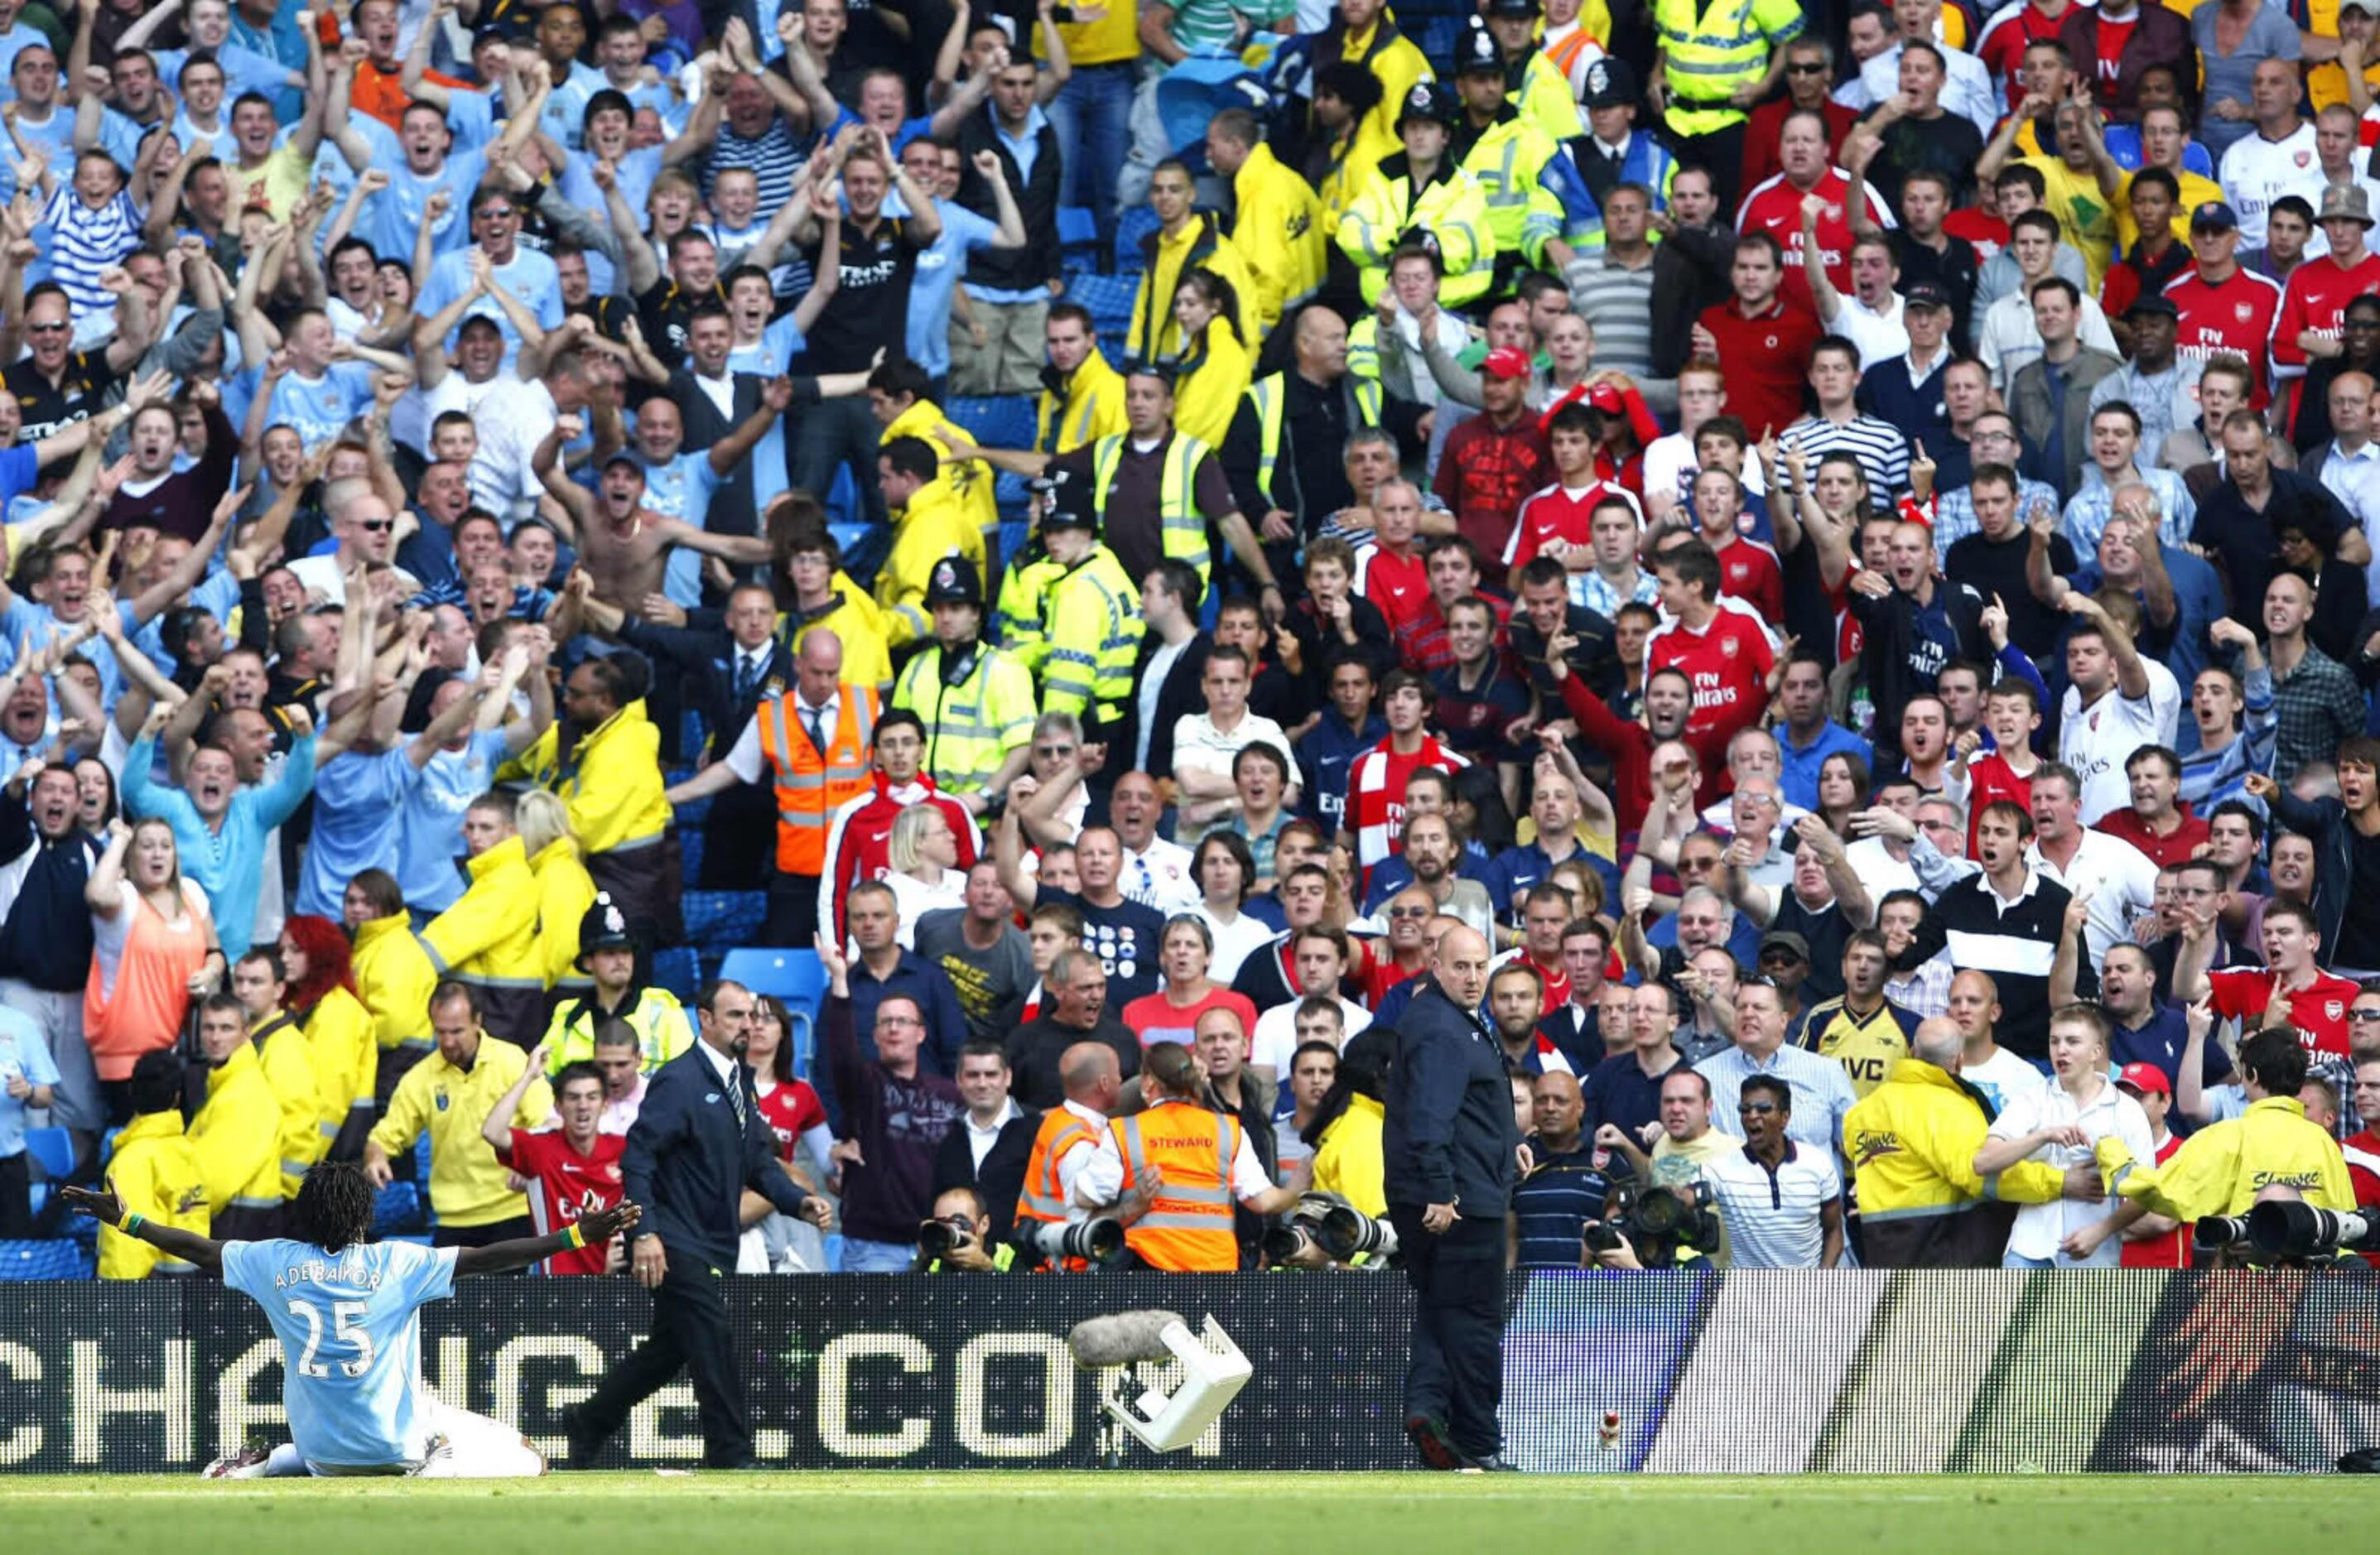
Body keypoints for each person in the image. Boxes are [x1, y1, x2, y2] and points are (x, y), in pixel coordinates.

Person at [67, 1161, 640, 1477]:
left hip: (321, 1456)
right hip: (398, 1452)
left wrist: (127, 1220)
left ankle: (264, 1462)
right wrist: (574, 1234)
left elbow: (198, 1248)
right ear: (365, 1214)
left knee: (422, 1410)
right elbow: (494, 1257)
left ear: (306, 1215)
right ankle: (427, 1460)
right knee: (533, 1460)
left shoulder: (272, 1261)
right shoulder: (399, 1263)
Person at [565, 980, 835, 1470]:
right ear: (704, 1019)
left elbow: (759, 1161)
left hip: (711, 1239)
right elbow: (638, 1160)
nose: (748, 1026)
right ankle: (730, 1452)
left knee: (670, 1349)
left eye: (752, 1017)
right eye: (736, 1016)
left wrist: (800, 1203)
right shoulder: (680, 1080)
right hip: (672, 1237)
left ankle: (590, 1419)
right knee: (712, 1333)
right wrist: (644, 1233)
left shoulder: (739, 1081)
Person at [1384, 925, 1519, 1471]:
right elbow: (1429, 1118)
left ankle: (1428, 1411)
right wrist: (1441, 1190)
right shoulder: (1443, 1028)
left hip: (1465, 1187)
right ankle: (1478, 1443)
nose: (1473, 977)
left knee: (1445, 1315)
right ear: (1435, 965)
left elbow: (1463, 1110)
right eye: (1461, 966)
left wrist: (1510, 1149)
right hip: (1460, 1203)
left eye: (1480, 966)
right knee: (1474, 1323)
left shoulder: (1447, 1020)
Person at [1843, 1018, 2103, 1267]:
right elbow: (1984, 1174)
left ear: (1912, 1051)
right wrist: (2060, 1182)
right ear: (1958, 1061)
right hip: (1937, 1255)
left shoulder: (1864, 1110)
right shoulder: (1948, 1109)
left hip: (1879, 1251)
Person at [1076, 1038, 1303, 1273]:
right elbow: (1264, 1201)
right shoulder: (1227, 1130)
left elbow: (1085, 1197)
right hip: (1216, 1270)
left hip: (1148, 1269)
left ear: (1147, 1082)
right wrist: (1295, 1192)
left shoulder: (1125, 1131)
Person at [364, 985, 551, 1248]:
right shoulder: (421, 1076)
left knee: (512, 1290)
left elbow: (547, 1123)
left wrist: (531, 1162)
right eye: (440, 1032)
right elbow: (387, 1134)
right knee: (450, 1290)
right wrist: (376, 1156)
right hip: (454, 1216)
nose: (448, 1041)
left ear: (478, 1021)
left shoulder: (511, 1061)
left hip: (514, 1209)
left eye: (457, 1031)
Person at [483, 1053, 627, 1276]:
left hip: (613, 1279)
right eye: (573, 1098)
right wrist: (529, 1076)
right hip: (556, 1288)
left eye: (592, 1097)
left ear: (605, 1105)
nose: (583, 1106)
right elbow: (492, 1131)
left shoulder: (624, 1149)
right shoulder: (541, 1149)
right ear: (558, 1106)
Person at [1701, 1075, 1845, 1268]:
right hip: (1746, 1295)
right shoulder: (1719, 1169)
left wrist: (1819, 1284)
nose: (1752, 1116)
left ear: (1785, 1117)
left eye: (1763, 1109)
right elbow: (1686, 1197)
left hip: (1805, 1294)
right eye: (1745, 1109)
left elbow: (1834, 1230)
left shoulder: (1817, 1163)